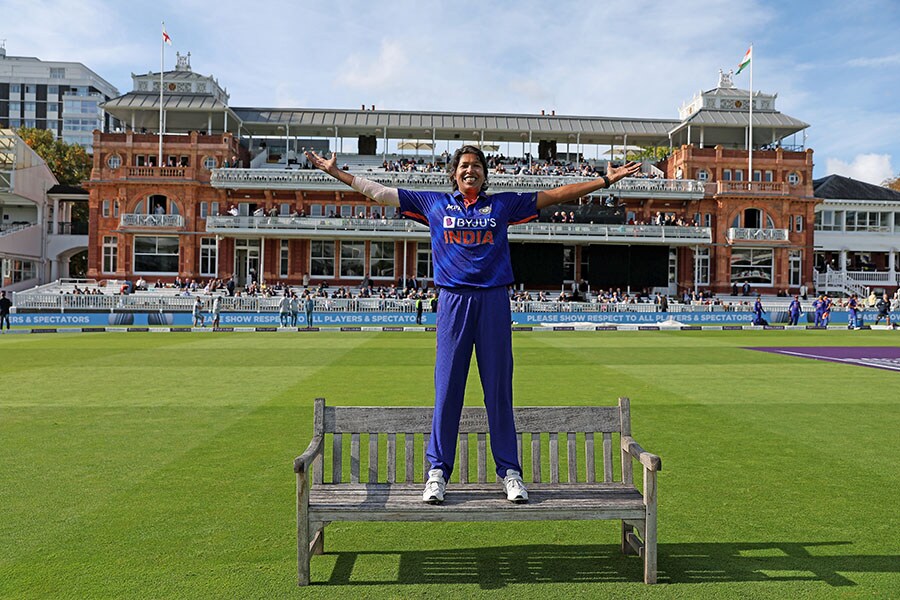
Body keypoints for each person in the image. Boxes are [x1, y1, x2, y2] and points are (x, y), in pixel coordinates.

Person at [307, 146, 640, 504]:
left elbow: (556, 195)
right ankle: (437, 473)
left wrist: (606, 180)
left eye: (477, 166)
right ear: (454, 173)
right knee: (447, 388)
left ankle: (510, 472)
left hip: (494, 300)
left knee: (499, 390)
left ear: (484, 174)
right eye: (464, 166)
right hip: (452, 302)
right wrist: (336, 174)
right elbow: (379, 192)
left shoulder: (502, 206)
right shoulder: (433, 203)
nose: (471, 171)